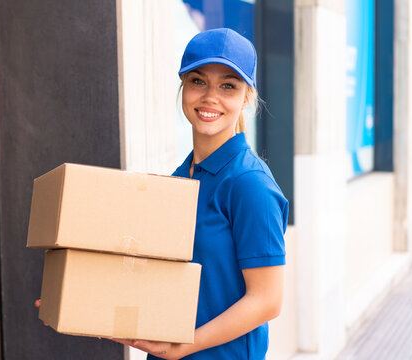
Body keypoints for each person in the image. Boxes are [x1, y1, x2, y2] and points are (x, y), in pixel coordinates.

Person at [112, 28, 288, 359]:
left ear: (246, 97)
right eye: (198, 81)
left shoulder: (250, 184)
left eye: (228, 86)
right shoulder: (181, 177)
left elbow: (267, 300)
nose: (210, 97)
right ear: (183, 88)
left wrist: (183, 346)